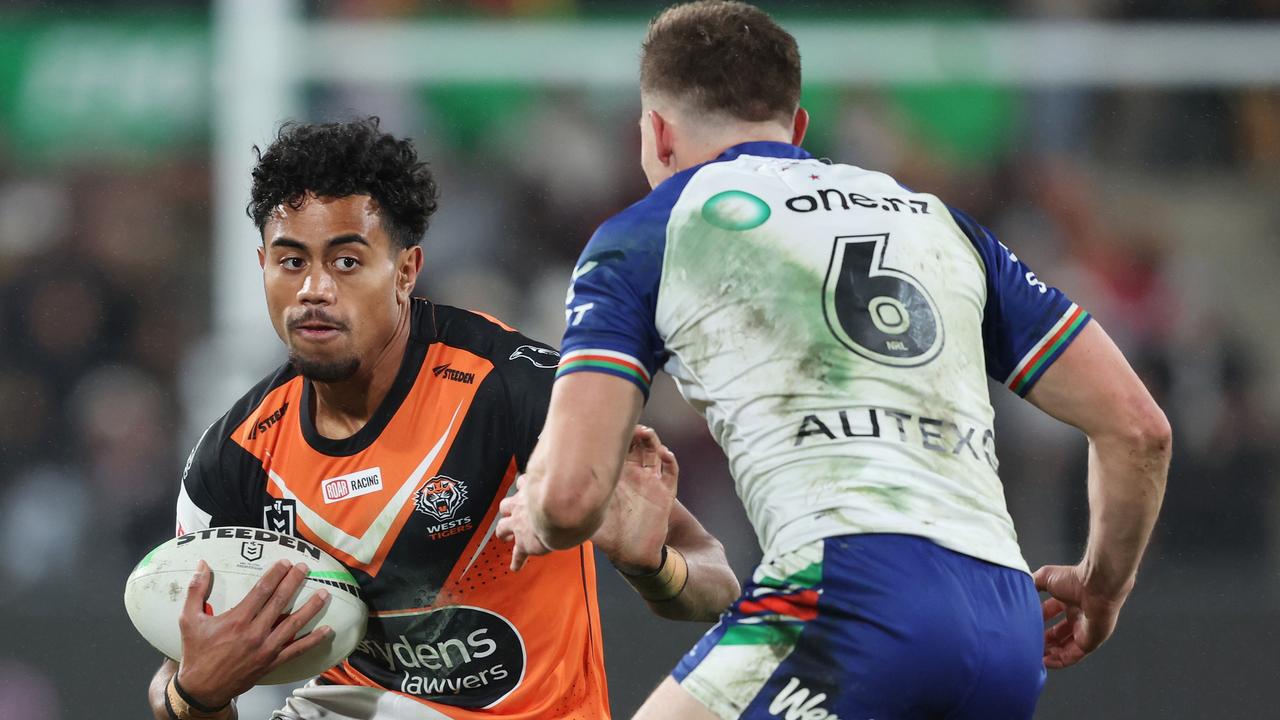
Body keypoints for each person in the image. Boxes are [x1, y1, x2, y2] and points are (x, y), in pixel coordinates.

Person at [496, 2, 1172, 719]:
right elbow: (1139, 429)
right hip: (1006, 623)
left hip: (846, 594)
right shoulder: (941, 224)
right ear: (798, 129)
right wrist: (1102, 586)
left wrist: (540, 510)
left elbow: (572, 496)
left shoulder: (649, 233)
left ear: (657, 135)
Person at [146, 118, 739, 720]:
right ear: (263, 266)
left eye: (346, 262)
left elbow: (717, 580)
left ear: (405, 270)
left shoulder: (513, 390)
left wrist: (652, 566)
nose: (314, 289)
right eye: (291, 262)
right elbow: (178, 677)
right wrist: (196, 694)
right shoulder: (236, 458)